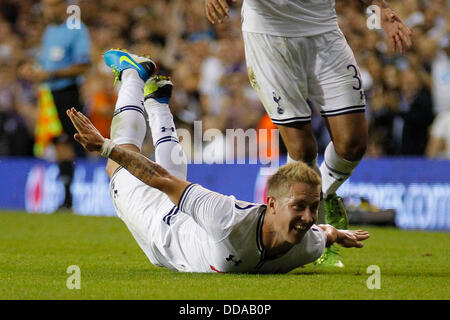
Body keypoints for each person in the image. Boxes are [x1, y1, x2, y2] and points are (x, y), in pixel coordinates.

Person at [66, 50, 369, 273]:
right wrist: (105, 147)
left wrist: (337, 233)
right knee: (118, 163)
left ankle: (157, 102)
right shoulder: (228, 219)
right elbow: (159, 178)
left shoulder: (307, 242)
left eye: (313, 207)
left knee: (174, 177)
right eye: (299, 207)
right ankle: (132, 74)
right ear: (271, 203)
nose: (307, 218)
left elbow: (324, 234)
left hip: (184, 223)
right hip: (161, 226)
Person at [204, 0, 411, 267]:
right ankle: (314, 236)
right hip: (269, 35)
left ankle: (322, 194)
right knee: (302, 150)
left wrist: (381, 9)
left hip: (323, 32)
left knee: (353, 144)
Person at [21, 0, 91, 210]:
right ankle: (67, 197)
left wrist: (51, 73)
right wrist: (33, 70)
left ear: (64, 6)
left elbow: (84, 65)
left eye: (52, 5)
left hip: (69, 93)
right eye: (46, 6)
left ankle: (82, 192)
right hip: (49, 94)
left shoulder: (77, 29)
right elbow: (45, 62)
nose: (48, 10)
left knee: (76, 142)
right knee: (59, 142)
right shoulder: (50, 31)